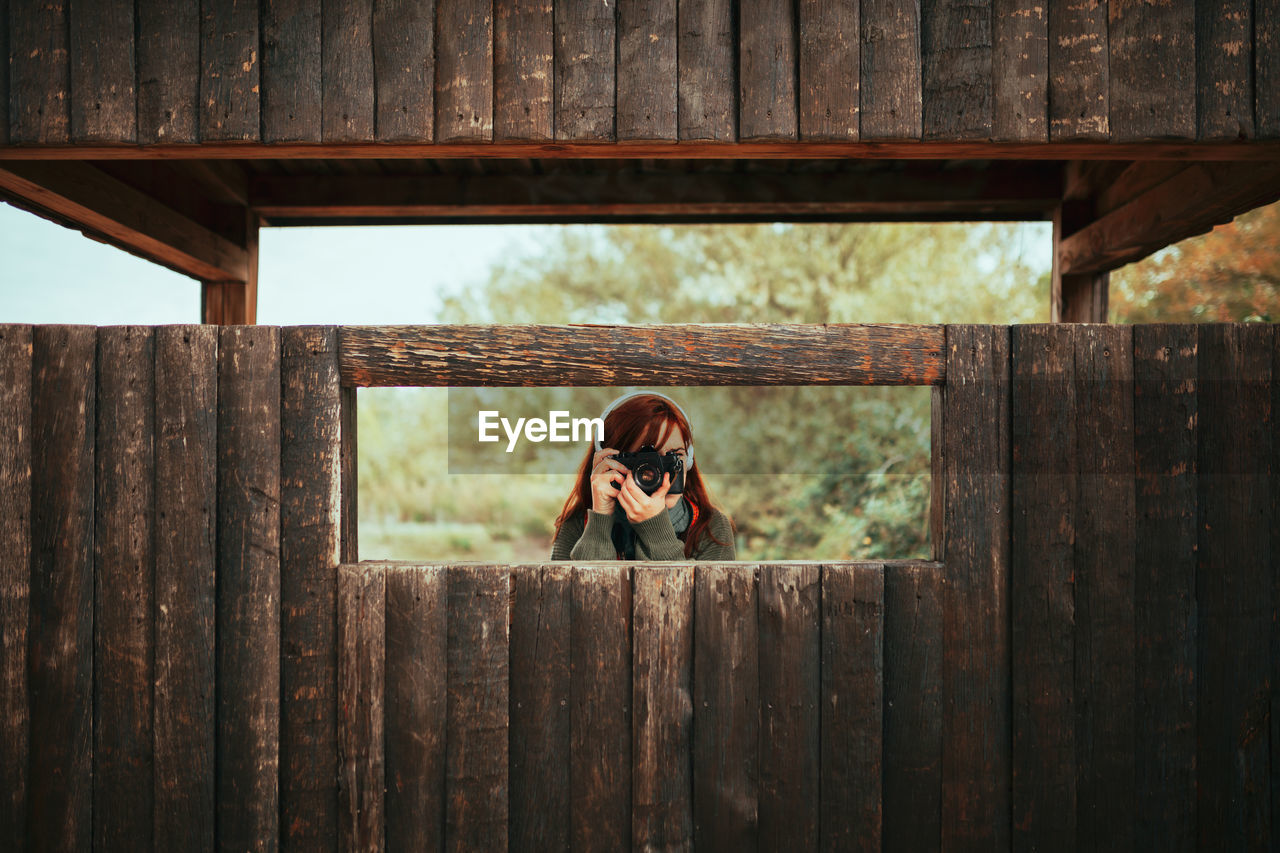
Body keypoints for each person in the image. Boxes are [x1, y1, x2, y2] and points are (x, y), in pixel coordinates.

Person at [550, 391, 736, 561]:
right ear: (613, 464)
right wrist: (600, 521)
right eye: (644, 462)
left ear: (687, 461)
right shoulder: (577, 524)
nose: (662, 475)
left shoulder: (711, 526)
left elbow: (694, 597)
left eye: (674, 456)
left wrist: (655, 528)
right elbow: (578, 594)